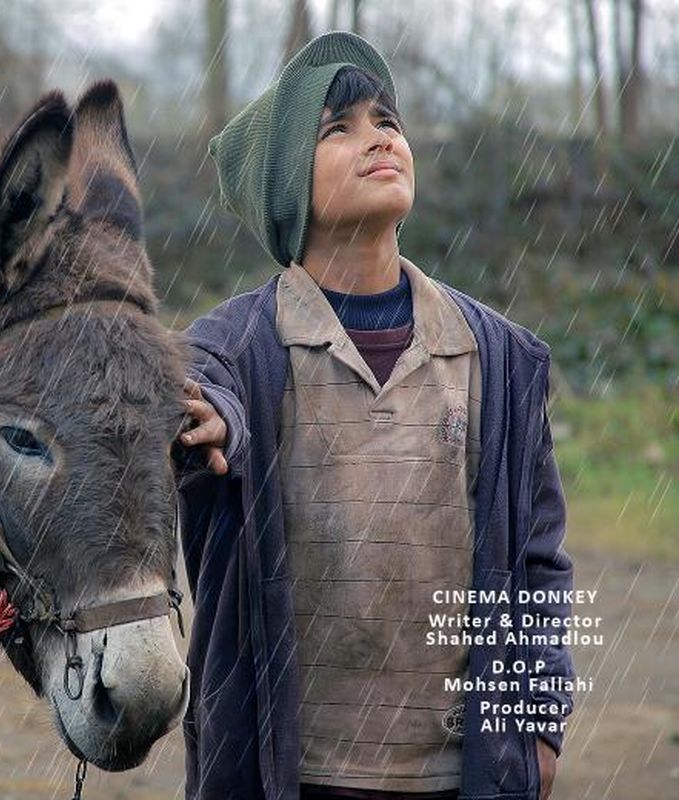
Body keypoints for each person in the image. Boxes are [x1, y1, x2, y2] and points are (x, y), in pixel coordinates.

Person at [173, 31, 575, 800]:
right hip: (289, 775)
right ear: (288, 188)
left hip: (457, 776)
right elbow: (203, 394)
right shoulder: (238, 350)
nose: (379, 138)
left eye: (385, 119)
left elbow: (538, 563)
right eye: (339, 128)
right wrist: (212, 422)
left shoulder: (499, 359)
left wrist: (538, 726)